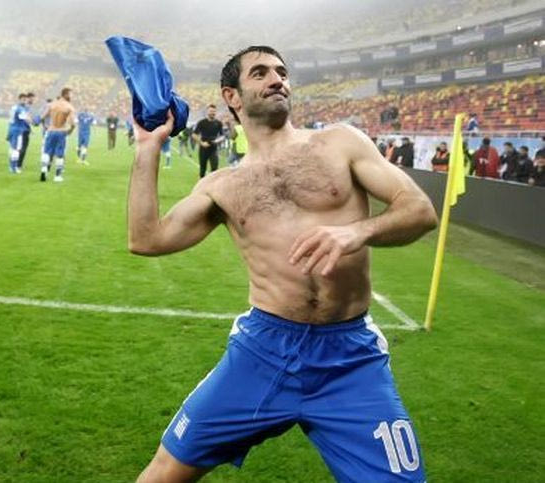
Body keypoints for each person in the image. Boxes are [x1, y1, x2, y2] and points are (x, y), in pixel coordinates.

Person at [130, 45, 437, 482]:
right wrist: (147, 147)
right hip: (263, 351)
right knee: (164, 472)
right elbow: (146, 239)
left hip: (350, 360)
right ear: (232, 96)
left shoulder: (340, 142)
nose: (277, 80)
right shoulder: (222, 185)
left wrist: (358, 231)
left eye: (281, 71)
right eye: (260, 73)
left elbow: (419, 210)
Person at [39, 87, 75, 183]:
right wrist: (70, 131)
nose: (72, 96)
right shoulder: (69, 107)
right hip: (61, 131)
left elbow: (42, 117)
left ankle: (44, 170)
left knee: (46, 152)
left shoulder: (52, 104)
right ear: (66, 94)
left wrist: (45, 126)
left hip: (51, 130)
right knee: (60, 154)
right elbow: (72, 123)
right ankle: (57, 176)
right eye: (71, 94)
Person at [193, 104, 224, 178]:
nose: (212, 113)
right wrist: (202, 143)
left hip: (213, 147)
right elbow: (194, 135)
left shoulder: (218, 123)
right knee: (202, 168)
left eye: (214, 111)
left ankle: (212, 183)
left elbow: (222, 136)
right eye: (211, 111)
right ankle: (201, 181)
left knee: (214, 167)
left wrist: (217, 141)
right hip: (203, 147)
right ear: (207, 112)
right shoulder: (202, 122)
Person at [7, 93, 31, 173]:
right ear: (20, 99)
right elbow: (26, 119)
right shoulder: (21, 109)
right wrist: (34, 121)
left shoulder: (13, 107)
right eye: (23, 100)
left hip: (11, 128)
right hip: (17, 130)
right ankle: (14, 167)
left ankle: (11, 166)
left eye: (25, 100)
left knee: (12, 148)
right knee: (17, 149)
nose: (25, 101)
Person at [17, 92, 36, 170]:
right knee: (23, 147)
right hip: (24, 129)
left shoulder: (24, 106)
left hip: (21, 128)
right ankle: (19, 165)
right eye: (32, 99)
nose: (33, 100)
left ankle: (18, 163)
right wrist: (32, 124)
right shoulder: (26, 106)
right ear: (28, 98)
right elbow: (26, 118)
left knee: (20, 146)